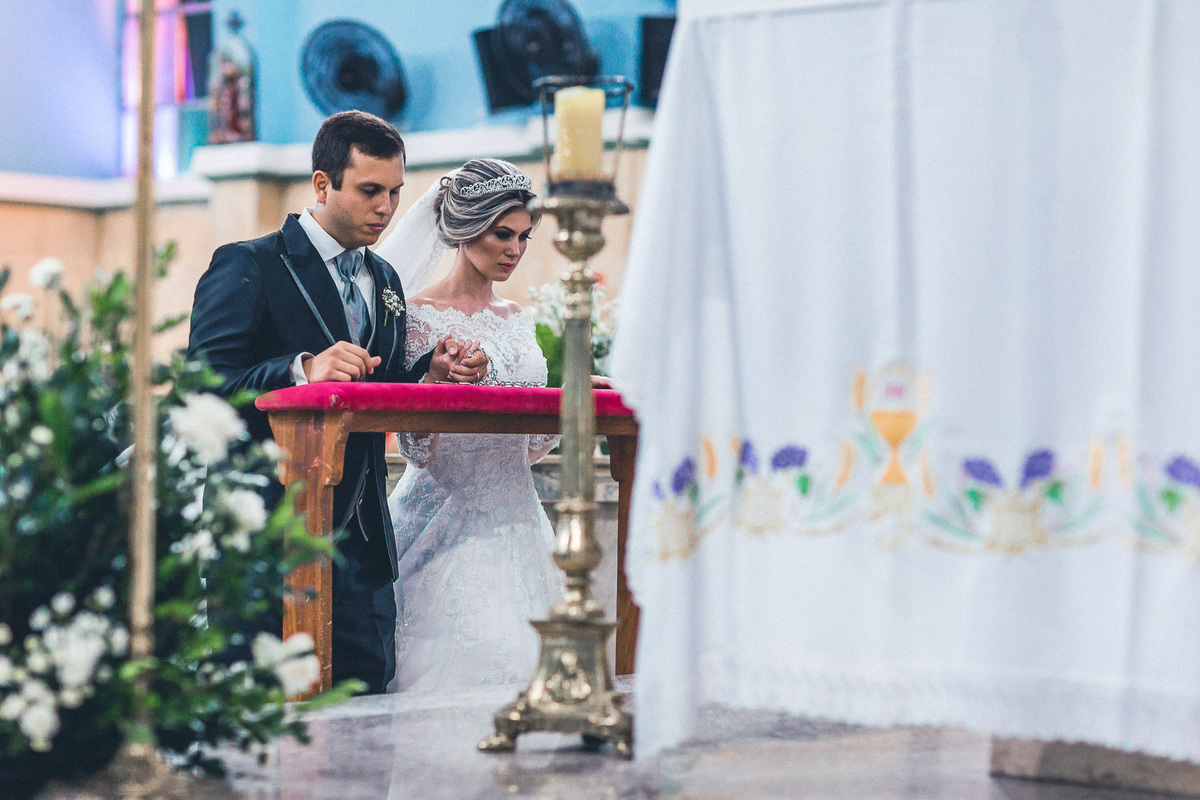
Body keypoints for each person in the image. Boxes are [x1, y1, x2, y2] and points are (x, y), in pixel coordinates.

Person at [186, 110, 487, 694]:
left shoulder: (389, 282)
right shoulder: (250, 264)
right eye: (370, 191)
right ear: (322, 185)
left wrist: (429, 373)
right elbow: (203, 388)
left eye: (396, 192)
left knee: (370, 723)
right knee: (267, 732)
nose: (387, 208)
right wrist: (301, 371)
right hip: (267, 541)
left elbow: (378, 383)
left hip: (364, 545)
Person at [373, 158, 562, 693]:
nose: (515, 250)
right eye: (502, 234)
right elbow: (416, 447)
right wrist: (436, 381)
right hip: (441, 517)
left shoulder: (519, 318)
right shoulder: (416, 316)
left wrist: (563, 402)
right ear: (463, 229)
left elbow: (528, 448)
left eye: (524, 237)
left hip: (519, 515)